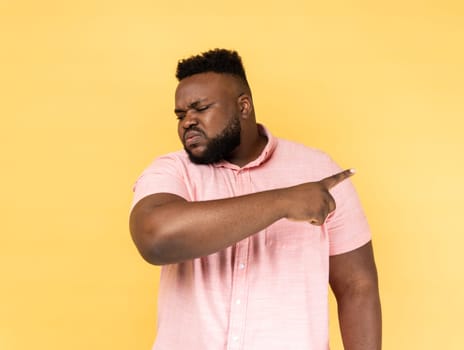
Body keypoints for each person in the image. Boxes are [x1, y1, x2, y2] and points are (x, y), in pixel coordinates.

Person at [129, 48, 381, 350]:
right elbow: (155, 238)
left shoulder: (318, 170)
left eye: (200, 108)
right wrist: (283, 202)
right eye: (181, 115)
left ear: (243, 106)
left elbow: (357, 286)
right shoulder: (172, 171)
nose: (187, 122)